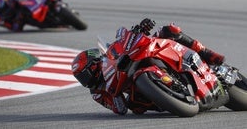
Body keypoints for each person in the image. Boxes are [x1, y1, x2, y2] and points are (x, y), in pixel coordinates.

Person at [72, 18, 225, 115]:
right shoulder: (97, 93)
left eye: (84, 76)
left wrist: (140, 29)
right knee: (136, 106)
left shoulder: (109, 58)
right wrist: (114, 94)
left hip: (137, 62)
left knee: (168, 31)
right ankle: (172, 95)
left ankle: (206, 53)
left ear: (94, 65)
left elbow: (123, 43)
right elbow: (120, 109)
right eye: (81, 78)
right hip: (140, 94)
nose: (85, 81)